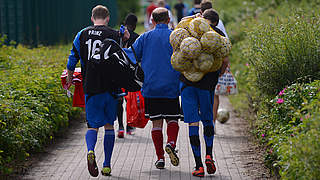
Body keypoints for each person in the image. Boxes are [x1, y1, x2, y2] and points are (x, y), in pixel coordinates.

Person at [66, 5, 129, 177]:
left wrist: (70, 79)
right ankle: (107, 165)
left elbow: (72, 60)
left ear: (92, 18)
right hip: (110, 88)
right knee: (109, 126)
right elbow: (123, 59)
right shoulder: (114, 34)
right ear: (107, 18)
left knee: (92, 126)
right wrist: (125, 38)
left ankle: (90, 151)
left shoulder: (82, 34)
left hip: (90, 86)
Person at [128, 7, 181, 169]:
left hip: (151, 87)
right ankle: (171, 143)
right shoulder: (175, 37)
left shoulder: (144, 37)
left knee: (156, 123)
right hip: (171, 86)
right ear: (168, 20)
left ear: (152, 20)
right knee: (173, 119)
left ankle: (160, 158)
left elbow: (131, 56)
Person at [180, 8, 229, 178]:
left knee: (193, 123)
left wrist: (193, 17)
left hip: (187, 85)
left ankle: (199, 165)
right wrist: (218, 74)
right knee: (208, 120)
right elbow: (225, 60)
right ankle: (209, 155)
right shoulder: (218, 35)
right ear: (216, 21)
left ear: (202, 17)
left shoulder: (189, 30)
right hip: (206, 86)